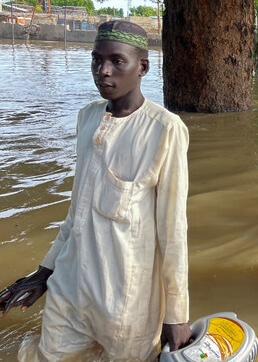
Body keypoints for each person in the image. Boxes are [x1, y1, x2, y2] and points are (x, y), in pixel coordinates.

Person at [0, 20, 192, 361]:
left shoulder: (165, 130)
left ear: (142, 67)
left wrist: (176, 314)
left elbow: (173, 230)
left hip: (127, 303)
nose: (103, 71)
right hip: (71, 290)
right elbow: (77, 213)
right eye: (96, 60)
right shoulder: (88, 118)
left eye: (117, 61)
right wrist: (44, 273)